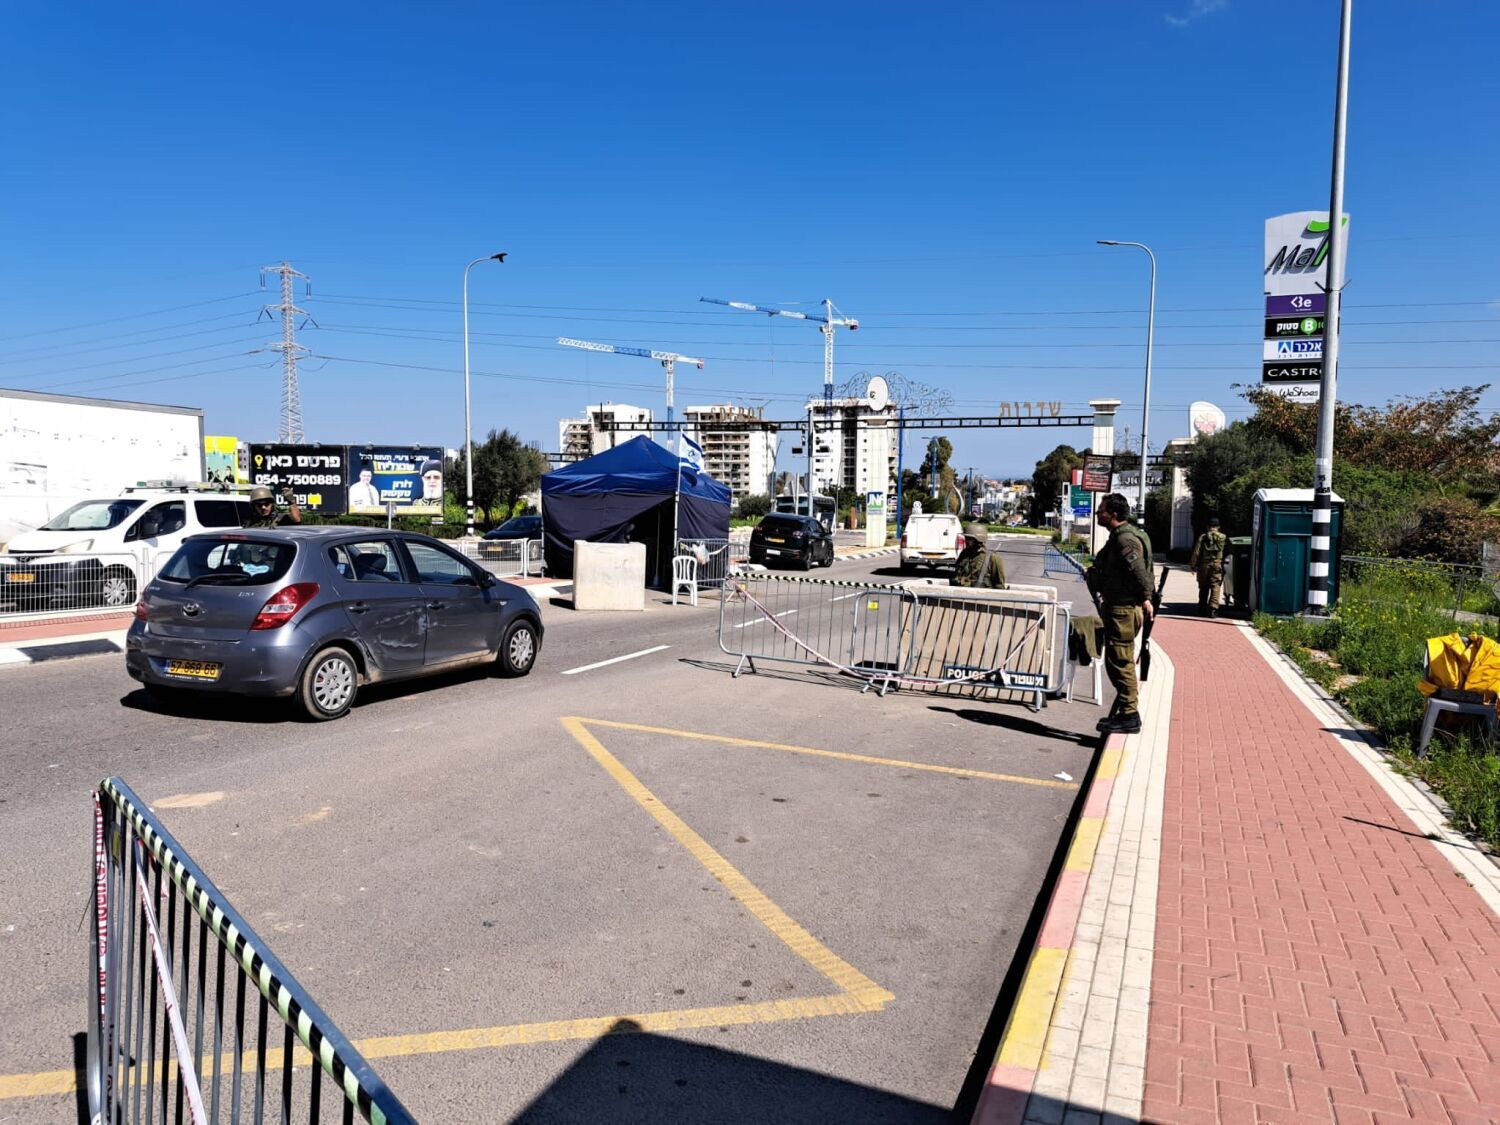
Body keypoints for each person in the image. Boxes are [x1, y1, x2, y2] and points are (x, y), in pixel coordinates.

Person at [1085, 492, 1154, 734]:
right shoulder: (1122, 536)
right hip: (1119, 607)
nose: (1097, 514)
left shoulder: (1125, 540)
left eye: (1101, 510)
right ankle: (1126, 711)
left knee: (1121, 661)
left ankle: (1129, 715)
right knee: (1118, 660)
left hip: (1123, 609)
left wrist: (1147, 598)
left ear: (1113, 514)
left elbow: (1138, 571)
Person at [1189, 516, 1228, 618]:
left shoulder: (1203, 537)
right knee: (1215, 586)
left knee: (1203, 587)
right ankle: (1213, 609)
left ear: (1207, 527)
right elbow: (1227, 552)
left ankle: (1202, 608)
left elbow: (1196, 552)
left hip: (1204, 565)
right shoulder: (1223, 537)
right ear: (1218, 527)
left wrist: (1193, 565)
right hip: (1217, 564)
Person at [951, 522, 1006, 589]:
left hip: (982, 598)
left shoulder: (992, 558)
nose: (965, 541)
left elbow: (999, 585)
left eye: (969, 538)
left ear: (978, 540)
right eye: (965, 538)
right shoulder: (964, 554)